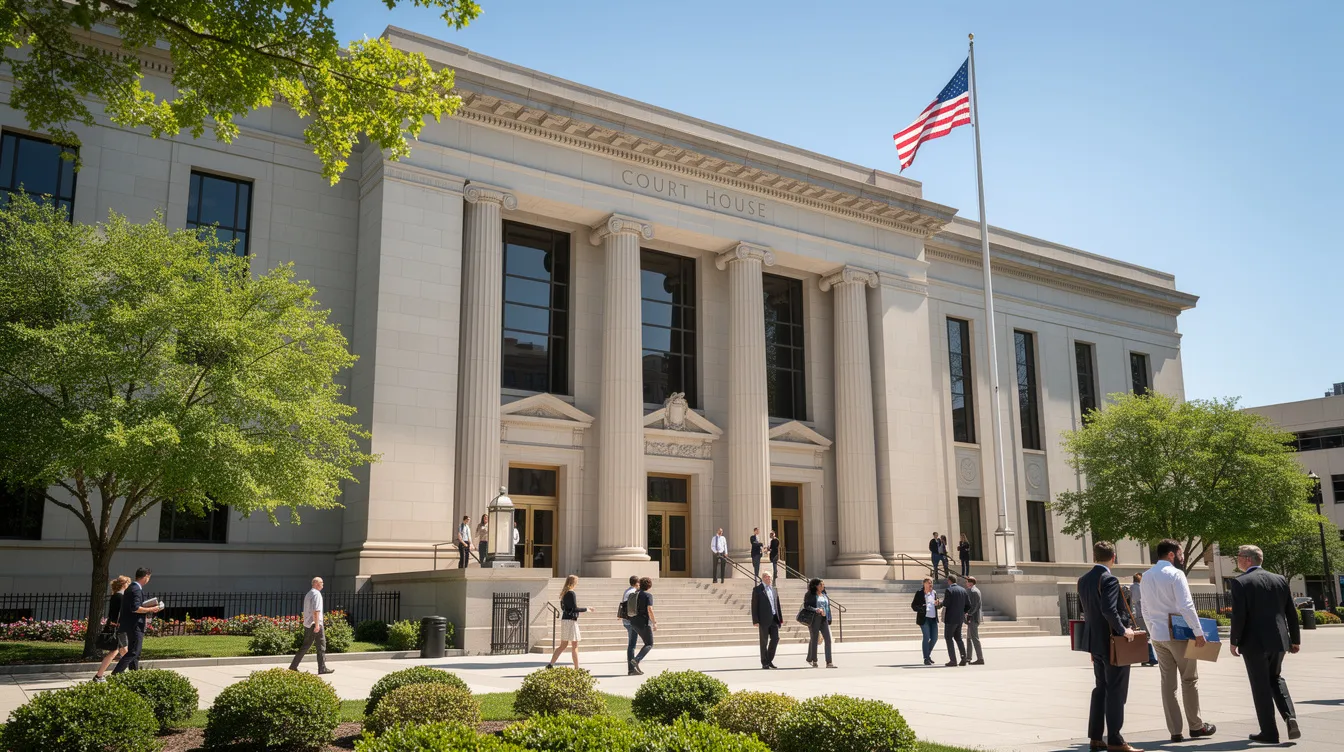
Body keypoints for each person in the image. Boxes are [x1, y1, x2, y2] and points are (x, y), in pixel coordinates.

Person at [1140, 539, 1216, 743]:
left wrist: (1152, 631)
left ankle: (1175, 731)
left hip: (1158, 635)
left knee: (1167, 684)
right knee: (1189, 680)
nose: (1183, 557)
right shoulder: (1176, 574)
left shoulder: (1146, 576)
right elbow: (1186, 605)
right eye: (1181, 553)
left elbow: (1144, 608)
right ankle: (1196, 726)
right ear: (1171, 554)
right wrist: (1199, 632)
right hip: (1179, 634)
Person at [1229, 544, 1301, 743]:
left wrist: (1234, 641)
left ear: (1248, 559)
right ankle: (1290, 716)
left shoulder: (1240, 582)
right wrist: (1295, 639)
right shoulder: (1279, 579)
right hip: (1279, 640)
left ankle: (1269, 732)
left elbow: (1239, 615)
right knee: (1275, 678)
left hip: (1254, 642)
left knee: (1260, 685)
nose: (1237, 560)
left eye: (1239, 556)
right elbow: (1291, 613)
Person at [1078, 541, 1140, 752]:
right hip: (1113, 643)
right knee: (1115, 690)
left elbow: (1088, 611)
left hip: (1095, 642)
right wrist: (1124, 630)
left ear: (1094, 556)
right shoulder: (1109, 579)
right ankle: (1115, 739)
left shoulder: (1083, 580)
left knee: (1101, 688)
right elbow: (1108, 610)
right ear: (1113, 557)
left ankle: (1096, 737)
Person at [112, 567, 163, 674]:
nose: (148, 580)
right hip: (134, 625)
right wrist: (151, 609)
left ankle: (134, 674)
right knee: (134, 651)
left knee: (134, 652)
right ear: (146, 577)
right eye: (148, 577)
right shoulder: (136, 589)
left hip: (131, 624)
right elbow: (135, 608)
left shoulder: (132, 588)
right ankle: (116, 673)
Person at [290, 576, 334, 674]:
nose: (323, 584)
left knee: (307, 646)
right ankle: (322, 668)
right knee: (321, 646)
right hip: (315, 624)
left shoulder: (309, 594)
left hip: (308, 624)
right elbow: (316, 610)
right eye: (322, 583)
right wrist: (317, 625)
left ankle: (294, 666)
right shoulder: (317, 594)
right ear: (316, 584)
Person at [92, 576, 131, 682]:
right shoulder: (121, 597)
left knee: (124, 652)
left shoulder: (116, 596)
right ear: (124, 584)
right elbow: (122, 613)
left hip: (115, 627)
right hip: (118, 628)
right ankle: (99, 676)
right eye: (128, 584)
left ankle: (126, 673)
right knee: (116, 652)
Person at [548, 574, 587, 669]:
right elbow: (574, 608)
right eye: (576, 582)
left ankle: (550, 665)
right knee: (575, 645)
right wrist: (587, 609)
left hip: (565, 620)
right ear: (573, 583)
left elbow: (565, 608)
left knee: (563, 645)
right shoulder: (571, 593)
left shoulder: (564, 593)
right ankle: (577, 668)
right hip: (571, 621)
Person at [751, 571, 783, 669]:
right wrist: (755, 620)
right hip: (763, 619)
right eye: (767, 577)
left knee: (775, 638)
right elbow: (754, 605)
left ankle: (769, 660)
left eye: (770, 578)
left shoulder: (774, 589)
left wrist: (780, 618)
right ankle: (764, 662)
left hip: (774, 618)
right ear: (763, 578)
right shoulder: (757, 589)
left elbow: (777, 605)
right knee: (764, 641)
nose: (769, 579)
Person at [803, 578, 835, 668]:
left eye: (823, 585)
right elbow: (806, 605)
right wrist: (816, 609)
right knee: (815, 639)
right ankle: (814, 660)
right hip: (814, 619)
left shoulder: (824, 595)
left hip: (824, 619)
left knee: (828, 640)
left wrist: (829, 617)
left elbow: (827, 607)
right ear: (816, 586)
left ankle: (829, 662)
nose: (822, 586)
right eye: (820, 585)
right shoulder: (810, 594)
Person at [628, 577, 656, 675]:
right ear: (649, 586)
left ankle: (633, 668)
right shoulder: (648, 595)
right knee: (649, 643)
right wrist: (654, 622)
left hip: (633, 621)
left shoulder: (635, 594)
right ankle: (637, 659)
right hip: (643, 622)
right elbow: (650, 609)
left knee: (635, 644)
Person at [940, 574, 969, 666]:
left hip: (950, 618)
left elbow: (946, 603)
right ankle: (964, 658)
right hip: (959, 618)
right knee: (958, 638)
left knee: (948, 638)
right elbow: (968, 605)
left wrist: (940, 603)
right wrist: (962, 612)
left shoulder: (949, 590)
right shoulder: (963, 590)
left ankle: (953, 660)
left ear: (949, 581)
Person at [1130, 573, 1158, 667]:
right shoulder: (1138, 588)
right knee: (1145, 636)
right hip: (1141, 616)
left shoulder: (1132, 588)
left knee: (1142, 637)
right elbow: (1141, 602)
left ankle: (1146, 658)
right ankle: (1150, 658)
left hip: (1137, 615)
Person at [912, 576, 940, 665]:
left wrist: (938, 604)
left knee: (935, 638)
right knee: (926, 637)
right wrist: (921, 608)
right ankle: (926, 658)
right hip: (924, 619)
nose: (930, 584)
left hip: (933, 618)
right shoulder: (919, 593)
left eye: (931, 582)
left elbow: (938, 605)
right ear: (924, 584)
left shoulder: (934, 593)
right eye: (928, 582)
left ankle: (928, 654)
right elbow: (913, 605)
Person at [619, 575, 639, 670]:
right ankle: (631, 668)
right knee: (632, 645)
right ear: (636, 583)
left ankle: (631, 667)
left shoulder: (627, 591)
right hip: (631, 621)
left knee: (631, 644)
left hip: (626, 621)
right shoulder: (633, 592)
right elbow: (632, 609)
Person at [965, 575, 985, 665]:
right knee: (969, 638)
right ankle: (968, 657)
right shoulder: (975, 590)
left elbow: (975, 605)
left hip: (973, 618)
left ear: (970, 583)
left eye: (967, 582)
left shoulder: (974, 591)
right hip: (972, 617)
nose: (966, 583)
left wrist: (969, 614)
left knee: (974, 638)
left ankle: (980, 658)